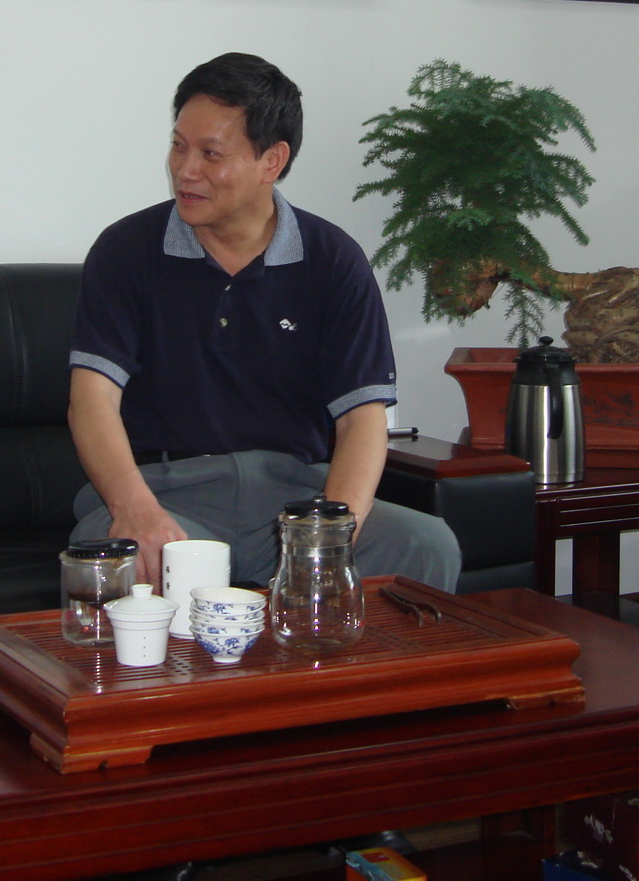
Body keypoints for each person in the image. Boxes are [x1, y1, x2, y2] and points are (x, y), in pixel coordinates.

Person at [66, 52, 461, 589]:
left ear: (272, 161)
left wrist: (327, 536)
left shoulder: (332, 260)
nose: (185, 170)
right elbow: (91, 400)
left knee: (426, 544)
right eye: (179, 146)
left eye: (210, 153)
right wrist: (135, 509)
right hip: (167, 494)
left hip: (295, 495)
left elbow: (361, 420)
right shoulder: (127, 251)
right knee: (149, 562)